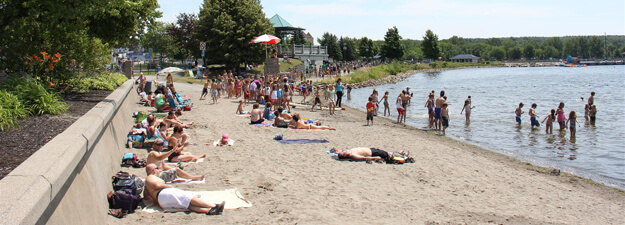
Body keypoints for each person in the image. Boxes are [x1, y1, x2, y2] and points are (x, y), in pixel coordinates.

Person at [144, 174, 225, 215]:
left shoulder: (147, 186)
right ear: (153, 170)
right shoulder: (150, 177)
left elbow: (147, 197)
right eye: (157, 169)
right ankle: (213, 206)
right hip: (163, 194)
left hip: (161, 201)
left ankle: (209, 211)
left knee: (187, 205)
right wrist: (169, 186)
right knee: (188, 198)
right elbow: (157, 185)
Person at [336, 147, 409, 163]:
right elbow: (363, 158)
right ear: (345, 156)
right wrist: (374, 158)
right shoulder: (352, 155)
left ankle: (400, 153)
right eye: (343, 152)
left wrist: (338, 152)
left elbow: (337, 150)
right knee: (388, 155)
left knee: (387, 152)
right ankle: (402, 155)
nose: (343, 151)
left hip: (371, 149)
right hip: (373, 153)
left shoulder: (349, 151)